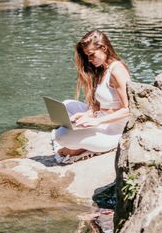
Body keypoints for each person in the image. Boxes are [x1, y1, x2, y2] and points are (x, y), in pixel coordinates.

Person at [54, 29, 131, 162]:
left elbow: (128, 109)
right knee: (66, 104)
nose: (89, 60)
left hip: (115, 130)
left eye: (91, 55)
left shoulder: (117, 70)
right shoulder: (102, 69)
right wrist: (88, 114)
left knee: (61, 135)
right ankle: (85, 140)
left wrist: (96, 121)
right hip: (102, 119)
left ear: (104, 48)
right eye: (87, 56)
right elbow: (98, 105)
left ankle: (82, 147)